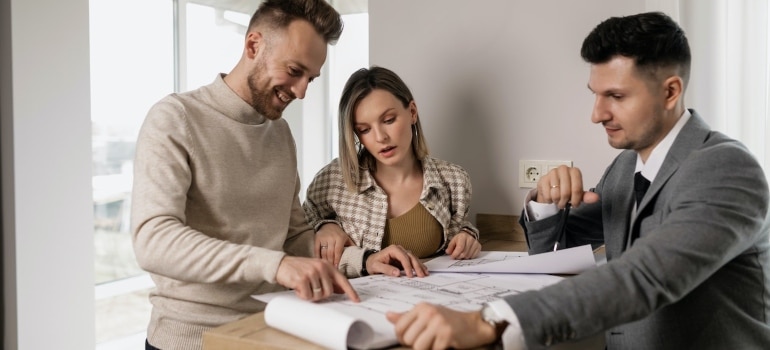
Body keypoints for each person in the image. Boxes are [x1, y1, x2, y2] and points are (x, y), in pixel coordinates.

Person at [387, 11, 770, 350]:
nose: (597, 114)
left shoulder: (726, 169)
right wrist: (545, 202)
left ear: (671, 91)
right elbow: (559, 255)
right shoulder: (624, 169)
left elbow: (643, 277)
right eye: (596, 94)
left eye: (616, 96)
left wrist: (488, 320)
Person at [130, 1, 359, 349]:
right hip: (192, 339)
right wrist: (276, 265)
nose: (301, 92)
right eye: (295, 71)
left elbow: (293, 235)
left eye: (310, 79)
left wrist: (365, 260)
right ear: (253, 45)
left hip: (268, 329)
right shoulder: (175, 118)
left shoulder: (280, 134)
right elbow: (154, 240)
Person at [302, 66, 482, 278]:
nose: (380, 137)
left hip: (428, 302)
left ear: (412, 112)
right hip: (359, 303)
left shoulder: (454, 181)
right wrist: (323, 226)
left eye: (388, 120)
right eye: (364, 129)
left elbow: (458, 229)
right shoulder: (332, 181)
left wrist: (468, 236)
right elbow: (299, 241)